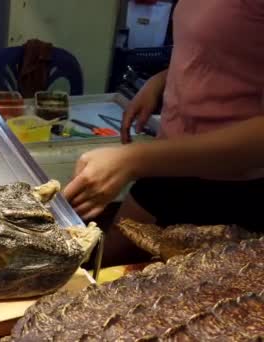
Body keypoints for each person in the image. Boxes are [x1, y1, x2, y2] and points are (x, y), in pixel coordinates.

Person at [63, 0, 264, 266]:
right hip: (168, 164)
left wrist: (135, 159)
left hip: (230, 189)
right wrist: (160, 81)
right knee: (102, 262)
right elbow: (225, 49)